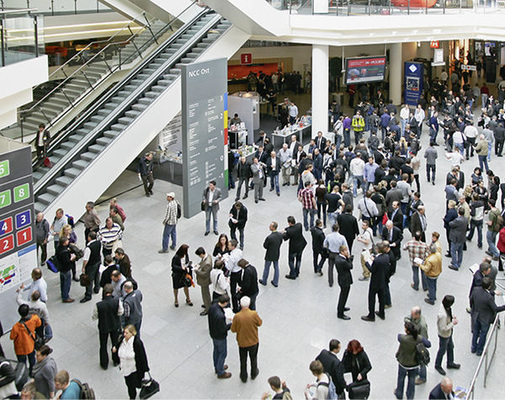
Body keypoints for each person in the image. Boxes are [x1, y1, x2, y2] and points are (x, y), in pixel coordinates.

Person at [394, 321, 430, 400]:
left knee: (401, 378)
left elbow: (398, 336)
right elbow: (428, 344)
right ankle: (410, 396)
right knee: (411, 379)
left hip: (403, 363)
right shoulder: (419, 338)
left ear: (407, 331)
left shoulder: (402, 338)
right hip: (414, 364)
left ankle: (399, 393)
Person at [231, 296, 262, 383]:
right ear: (249, 304)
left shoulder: (237, 316)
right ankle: (254, 373)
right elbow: (260, 323)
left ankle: (243, 376)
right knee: (253, 358)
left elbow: (233, 329)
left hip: (242, 342)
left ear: (240, 305)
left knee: (243, 360)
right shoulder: (253, 314)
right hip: (253, 341)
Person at [470, 277, 505, 356]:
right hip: (485, 318)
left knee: (475, 332)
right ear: (489, 286)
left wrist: (492, 292)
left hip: (476, 315)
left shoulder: (475, 290)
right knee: (483, 334)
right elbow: (495, 308)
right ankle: (479, 350)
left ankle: (473, 347)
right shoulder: (489, 298)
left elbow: (471, 300)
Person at [113, 325, 149, 400]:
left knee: (133, 384)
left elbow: (142, 356)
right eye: (124, 332)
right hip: (124, 368)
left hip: (134, 370)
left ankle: (133, 395)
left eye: (127, 333)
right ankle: (132, 396)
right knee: (129, 385)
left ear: (132, 333)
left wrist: (145, 369)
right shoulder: (122, 339)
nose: (124, 334)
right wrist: (115, 349)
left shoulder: (137, 343)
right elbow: (117, 346)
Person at [92, 283, 122, 370]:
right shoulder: (117, 301)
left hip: (103, 326)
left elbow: (94, 316)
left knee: (103, 345)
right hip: (114, 325)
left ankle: (104, 363)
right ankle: (116, 360)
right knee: (115, 343)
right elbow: (120, 312)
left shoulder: (99, 305)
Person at [361, 241, 389, 321]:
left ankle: (371, 315)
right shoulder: (386, 257)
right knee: (381, 297)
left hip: (375, 282)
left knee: (371, 298)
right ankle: (381, 313)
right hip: (382, 281)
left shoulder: (377, 261)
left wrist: (367, 263)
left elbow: (372, 270)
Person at [10, 304, 41, 375]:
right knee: (32, 359)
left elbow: (12, 337)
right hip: (30, 344)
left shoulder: (16, 327)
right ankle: (32, 372)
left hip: (20, 348)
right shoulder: (34, 318)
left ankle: (23, 374)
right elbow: (39, 324)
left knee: (22, 363)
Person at [208, 294, 232, 379]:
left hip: (213, 333)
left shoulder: (213, 307)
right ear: (225, 303)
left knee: (216, 351)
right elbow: (223, 328)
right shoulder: (220, 316)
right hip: (220, 336)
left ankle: (217, 367)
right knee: (222, 353)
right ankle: (221, 372)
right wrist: (231, 324)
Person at [435, 295, 460, 375]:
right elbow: (443, 328)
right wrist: (452, 323)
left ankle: (450, 362)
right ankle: (437, 365)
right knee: (442, 350)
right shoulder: (443, 315)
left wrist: (451, 317)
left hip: (449, 333)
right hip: (444, 335)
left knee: (450, 347)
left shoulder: (445, 307)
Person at [404, 306, 429, 385]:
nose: (411, 316)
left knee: (422, 361)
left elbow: (423, 338)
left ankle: (422, 377)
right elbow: (406, 318)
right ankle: (416, 371)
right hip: (414, 341)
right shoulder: (413, 317)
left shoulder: (422, 325)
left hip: (419, 344)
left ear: (417, 315)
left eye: (412, 315)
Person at [260, 221, 283, 288]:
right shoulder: (280, 235)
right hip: (276, 253)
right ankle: (275, 282)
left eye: (270, 226)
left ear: (273, 227)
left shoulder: (269, 237)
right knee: (276, 267)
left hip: (269, 254)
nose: (269, 227)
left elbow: (265, 246)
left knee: (267, 268)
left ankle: (264, 280)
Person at [80, 231, 102, 303]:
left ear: (89, 238)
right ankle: (97, 288)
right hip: (98, 261)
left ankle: (88, 295)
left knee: (89, 279)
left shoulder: (88, 248)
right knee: (97, 275)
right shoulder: (98, 243)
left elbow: (86, 259)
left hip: (91, 264)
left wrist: (83, 267)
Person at [283, 216, 307, 280]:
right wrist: (287, 229)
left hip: (293, 248)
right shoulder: (299, 225)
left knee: (291, 261)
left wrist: (283, 232)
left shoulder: (289, 231)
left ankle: (293, 274)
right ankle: (297, 272)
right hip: (301, 245)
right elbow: (291, 228)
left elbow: (285, 238)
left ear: (290, 223)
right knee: (298, 259)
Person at [324, 223, 348, 288]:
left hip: (331, 254)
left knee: (330, 268)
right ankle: (341, 280)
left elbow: (325, 244)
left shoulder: (328, 236)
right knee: (340, 269)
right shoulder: (342, 237)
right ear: (338, 229)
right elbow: (346, 246)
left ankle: (330, 282)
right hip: (338, 254)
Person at [223, 239, 243, 313]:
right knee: (241, 285)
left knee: (233, 291)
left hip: (234, 273)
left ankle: (235, 307)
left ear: (233, 246)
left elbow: (229, 267)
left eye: (229, 245)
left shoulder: (232, 257)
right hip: (239, 270)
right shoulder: (239, 251)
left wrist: (225, 261)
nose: (228, 246)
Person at [335, 245, 353, 321]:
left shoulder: (338, 258)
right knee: (343, 296)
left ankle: (342, 307)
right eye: (345, 251)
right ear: (342, 252)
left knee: (343, 295)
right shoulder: (343, 261)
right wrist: (349, 258)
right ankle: (340, 313)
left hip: (341, 278)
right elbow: (350, 266)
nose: (347, 252)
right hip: (345, 280)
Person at [56, 237, 76, 303]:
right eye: (67, 240)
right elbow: (67, 262)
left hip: (61, 268)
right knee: (67, 283)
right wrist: (72, 258)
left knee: (62, 282)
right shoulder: (65, 251)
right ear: (64, 243)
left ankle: (63, 294)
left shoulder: (58, 248)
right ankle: (65, 297)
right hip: (66, 269)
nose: (68, 241)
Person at [194, 247, 212, 316]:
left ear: (201, 254)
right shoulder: (207, 256)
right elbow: (202, 263)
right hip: (205, 280)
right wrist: (198, 265)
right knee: (205, 293)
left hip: (205, 280)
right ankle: (206, 304)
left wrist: (196, 271)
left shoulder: (207, 263)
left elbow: (204, 274)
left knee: (205, 294)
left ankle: (207, 308)